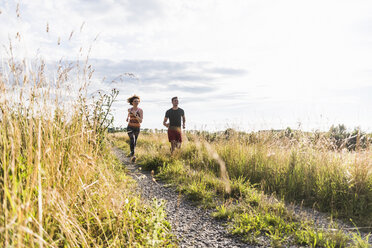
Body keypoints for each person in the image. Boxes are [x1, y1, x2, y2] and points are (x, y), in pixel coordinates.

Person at [126, 95, 143, 162]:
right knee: (132, 139)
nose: (136, 102)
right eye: (135, 101)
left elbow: (141, 121)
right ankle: (133, 154)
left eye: (138, 101)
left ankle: (132, 153)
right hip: (130, 126)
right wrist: (127, 118)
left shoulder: (140, 110)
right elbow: (129, 113)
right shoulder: (129, 109)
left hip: (137, 127)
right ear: (132, 102)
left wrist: (135, 114)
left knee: (135, 141)